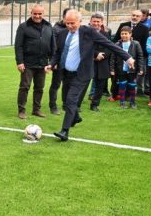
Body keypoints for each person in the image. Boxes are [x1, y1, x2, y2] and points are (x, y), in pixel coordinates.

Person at [49, 9, 134, 141]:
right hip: (66, 73)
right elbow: (58, 52)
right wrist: (52, 63)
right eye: (67, 23)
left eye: (73, 23)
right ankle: (76, 117)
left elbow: (109, 44)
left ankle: (64, 131)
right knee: (66, 103)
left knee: (72, 100)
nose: (70, 26)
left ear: (80, 21)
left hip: (82, 73)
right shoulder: (62, 33)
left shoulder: (88, 32)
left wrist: (128, 58)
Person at [14, 4, 54, 119]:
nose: (37, 16)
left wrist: (51, 62)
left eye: (39, 14)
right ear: (31, 13)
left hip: (43, 64)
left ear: (43, 14)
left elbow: (52, 45)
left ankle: (36, 110)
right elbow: (18, 46)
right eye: (35, 13)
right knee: (24, 87)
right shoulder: (23, 27)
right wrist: (20, 62)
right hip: (27, 63)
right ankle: (21, 110)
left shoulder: (48, 26)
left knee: (39, 88)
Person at [116, 8, 151, 95]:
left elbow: (144, 44)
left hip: (135, 57)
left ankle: (134, 93)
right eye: (133, 15)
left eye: (137, 16)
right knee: (121, 75)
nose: (135, 17)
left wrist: (139, 56)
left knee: (133, 76)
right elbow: (116, 40)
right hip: (122, 56)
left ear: (141, 17)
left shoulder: (144, 28)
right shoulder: (123, 25)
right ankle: (119, 93)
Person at [47, 7, 73, 114]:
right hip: (59, 62)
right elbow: (53, 47)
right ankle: (53, 106)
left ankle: (66, 105)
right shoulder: (56, 29)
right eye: (69, 17)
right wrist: (54, 62)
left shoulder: (74, 28)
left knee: (68, 84)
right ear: (64, 17)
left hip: (70, 63)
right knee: (56, 84)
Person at [88, 14, 115, 111]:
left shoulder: (106, 34)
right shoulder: (86, 33)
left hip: (102, 62)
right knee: (84, 84)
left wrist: (102, 56)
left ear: (102, 22)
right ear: (90, 21)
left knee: (100, 85)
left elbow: (109, 47)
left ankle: (94, 104)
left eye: (98, 21)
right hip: (89, 62)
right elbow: (84, 48)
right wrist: (96, 55)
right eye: (94, 21)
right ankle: (76, 105)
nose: (96, 23)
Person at [113, 27, 143, 108]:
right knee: (122, 85)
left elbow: (140, 57)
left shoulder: (136, 44)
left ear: (130, 34)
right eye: (122, 34)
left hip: (132, 69)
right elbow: (113, 57)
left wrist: (140, 68)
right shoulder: (117, 44)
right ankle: (122, 102)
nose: (124, 35)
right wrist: (112, 69)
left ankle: (132, 102)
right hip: (121, 69)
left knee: (132, 85)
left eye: (126, 34)